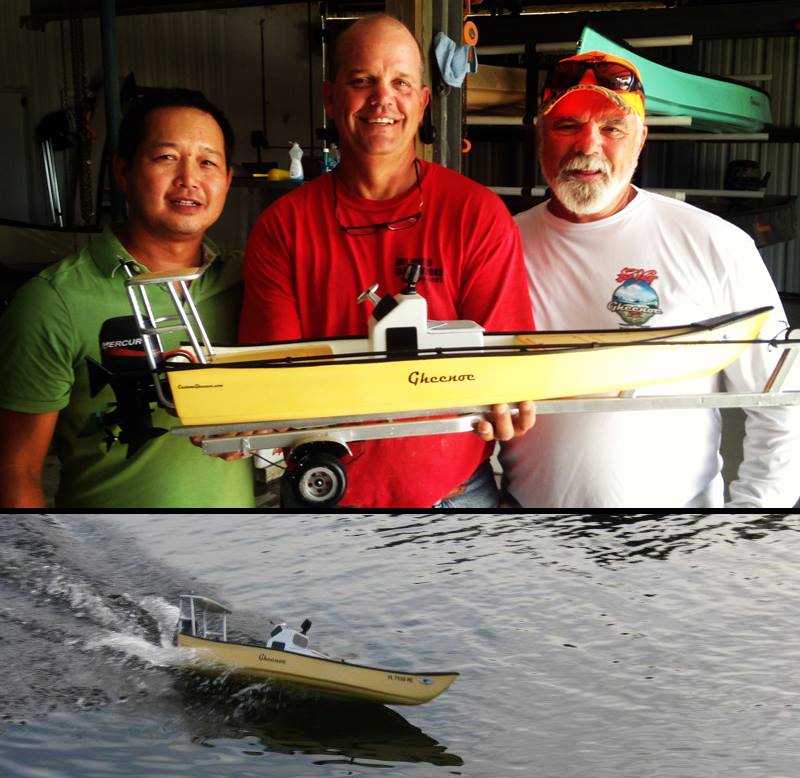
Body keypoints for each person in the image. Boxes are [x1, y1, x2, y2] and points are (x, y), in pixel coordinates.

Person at [240, 14, 535, 509]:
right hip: (324, 498)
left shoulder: (477, 214)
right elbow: (277, 377)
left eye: (400, 82)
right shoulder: (281, 226)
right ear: (330, 98)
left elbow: (507, 359)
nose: (383, 99)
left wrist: (512, 402)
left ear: (421, 102)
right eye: (362, 82)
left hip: (458, 497)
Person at [501, 51, 799, 508]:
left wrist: (749, 527)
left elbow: (782, 399)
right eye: (567, 126)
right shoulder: (499, 247)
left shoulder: (713, 243)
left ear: (641, 140)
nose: (588, 145)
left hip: (673, 546)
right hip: (524, 538)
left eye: (612, 128)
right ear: (540, 137)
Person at [0, 89, 256, 508]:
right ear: (122, 170)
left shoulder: (251, 282)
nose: (189, 178)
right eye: (166, 157)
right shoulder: (52, 303)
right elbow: (16, 470)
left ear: (227, 180)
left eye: (207, 161)